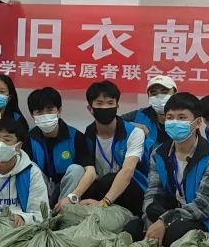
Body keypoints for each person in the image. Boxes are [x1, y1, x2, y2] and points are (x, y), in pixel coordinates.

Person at [132, 92, 209, 247]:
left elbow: (203, 207)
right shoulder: (159, 153)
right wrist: (151, 219)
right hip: (170, 212)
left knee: (174, 233)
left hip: (204, 220)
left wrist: (164, 221)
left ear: (197, 123)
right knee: (133, 229)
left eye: (182, 118)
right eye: (170, 118)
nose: (175, 122)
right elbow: (153, 192)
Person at [79, 81, 150, 215]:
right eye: (99, 103)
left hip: (132, 189)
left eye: (110, 103)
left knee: (109, 179)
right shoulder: (87, 135)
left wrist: (104, 202)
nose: (105, 107)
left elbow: (128, 171)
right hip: (102, 187)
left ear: (117, 106)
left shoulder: (134, 133)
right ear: (90, 108)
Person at [27, 87, 96, 211]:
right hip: (41, 188)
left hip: (66, 191)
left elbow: (91, 172)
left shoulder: (75, 136)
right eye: (39, 112)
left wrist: (73, 196)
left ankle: (63, 212)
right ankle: (39, 212)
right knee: (28, 167)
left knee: (77, 169)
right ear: (32, 115)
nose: (45, 116)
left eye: (50, 110)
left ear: (59, 111)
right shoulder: (28, 138)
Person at [122, 76, 178, 154]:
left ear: (175, 94)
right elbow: (114, 122)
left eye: (164, 92)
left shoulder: (185, 118)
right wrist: (131, 126)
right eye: (154, 94)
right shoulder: (140, 114)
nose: (159, 97)